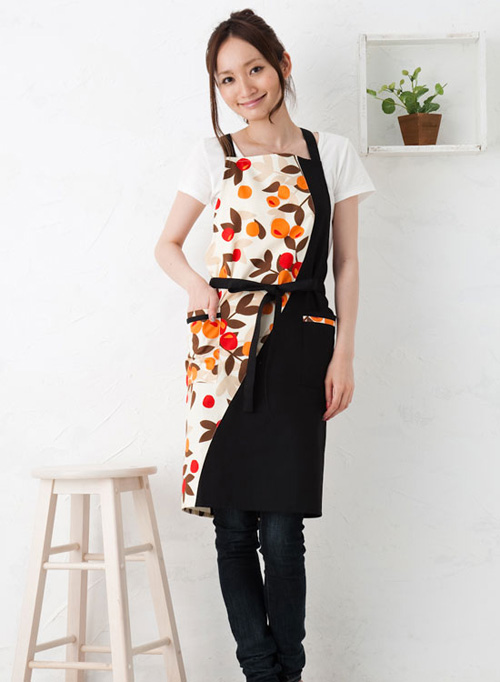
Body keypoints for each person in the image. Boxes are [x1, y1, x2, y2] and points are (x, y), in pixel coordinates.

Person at [154, 9, 376, 682]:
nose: (243, 88)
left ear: (282, 65)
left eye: (254, 69)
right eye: (226, 78)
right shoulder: (213, 154)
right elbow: (166, 246)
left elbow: (347, 263)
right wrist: (197, 286)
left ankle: (289, 670)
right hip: (223, 348)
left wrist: (344, 353)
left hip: (303, 341)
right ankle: (262, 673)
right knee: (232, 528)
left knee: (283, 530)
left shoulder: (331, 152)